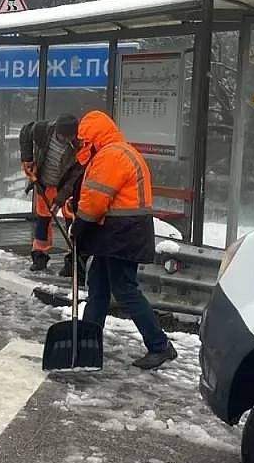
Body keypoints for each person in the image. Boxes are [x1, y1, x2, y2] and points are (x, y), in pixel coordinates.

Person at [70, 110, 177, 369]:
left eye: (85, 141)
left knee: (125, 290)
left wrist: (79, 226)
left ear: (95, 137)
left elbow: (95, 202)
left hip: (123, 233)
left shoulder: (112, 155)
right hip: (116, 233)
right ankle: (87, 343)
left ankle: (160, 346)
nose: (83, 146)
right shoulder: (114, 152)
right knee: (98, 289)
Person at [22, 117, 85, 279]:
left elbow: (75, 177)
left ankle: (74, 261)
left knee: (72, 222)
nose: (68, 140)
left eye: (71, 137)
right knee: (43, 220)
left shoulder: (80, 144)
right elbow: (25, 132)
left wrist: (60, 200)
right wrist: (27, 158)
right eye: (64, 137)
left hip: (67, 188)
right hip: (45, 183)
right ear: (57, 131)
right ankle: (40, 256)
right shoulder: (43, 130)